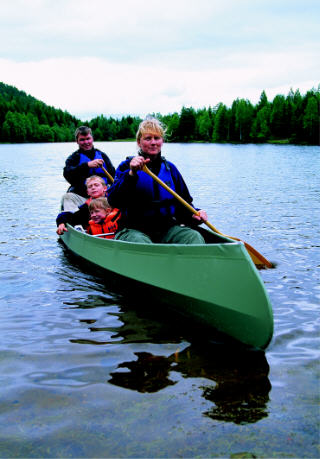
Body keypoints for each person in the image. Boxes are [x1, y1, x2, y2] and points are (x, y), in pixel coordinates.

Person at [107, 117, 208, 244]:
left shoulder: (170, 169)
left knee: (194, 237)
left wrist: (195, 214)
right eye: (148, 138)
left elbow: (184, 204)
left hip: (166, 228)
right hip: (134, 229)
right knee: (143, 244)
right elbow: (113, 200)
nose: (153, 142)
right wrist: (131, 174)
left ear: (162, 141)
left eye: (157, 138)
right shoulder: (126, 167)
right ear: (139, 142)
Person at [61, 126, 115, 212]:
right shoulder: (73, 158)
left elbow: (113, 175)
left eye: (88, 139)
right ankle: (75, 223)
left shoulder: (102, 155)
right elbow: (67, 174)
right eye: (82, 140)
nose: (86, 142)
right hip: (83, 198)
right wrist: (87, 165)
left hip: (104, 197)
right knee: (67, 197)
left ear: (92, 139)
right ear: (77, 141)